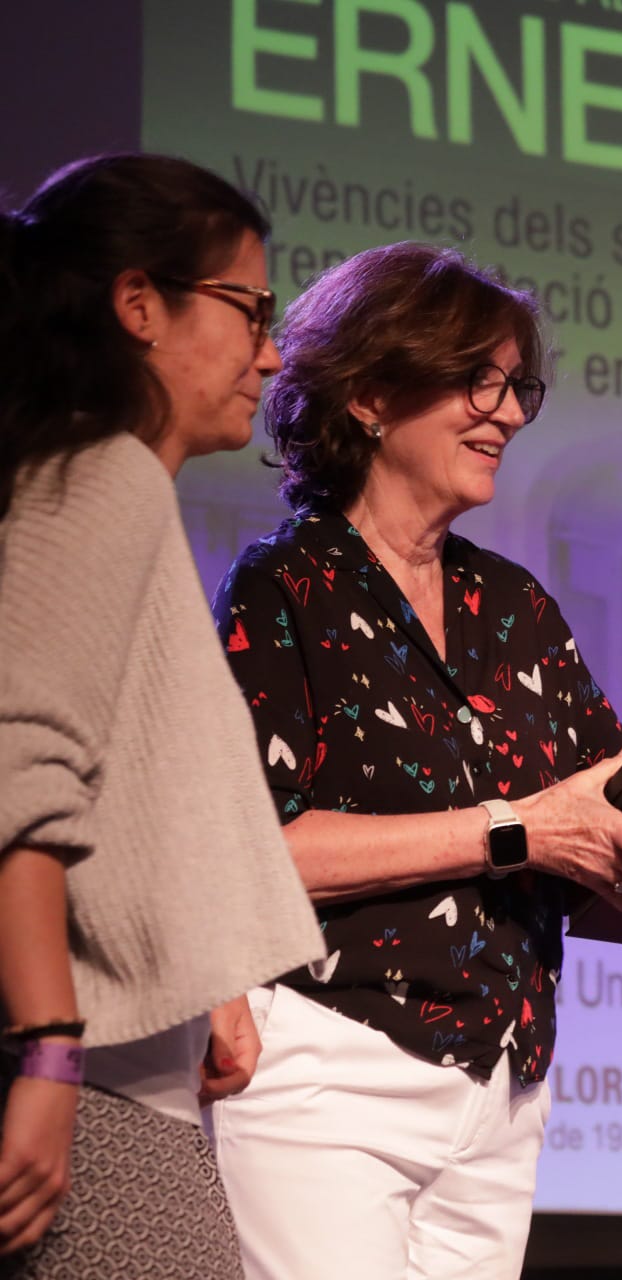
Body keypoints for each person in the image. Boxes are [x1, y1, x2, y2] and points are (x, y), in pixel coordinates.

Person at [207, 241, 622, 1279]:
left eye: (519, 386)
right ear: (374, 392)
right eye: (478, 379)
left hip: (504, 1086)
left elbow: (617, 809)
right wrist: (514, 828)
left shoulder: (509, 604)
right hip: (332, 1063)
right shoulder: (287, 584)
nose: (509, 412)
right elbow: (258, 849)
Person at [0, 154, 322, 1277]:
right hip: (90, 1089)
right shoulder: (104, 475)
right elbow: (17, 776)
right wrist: (48, 1052)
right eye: (249, 309)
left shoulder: (90, 477)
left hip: (122, 1076)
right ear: (139, 304)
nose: (270, 353)